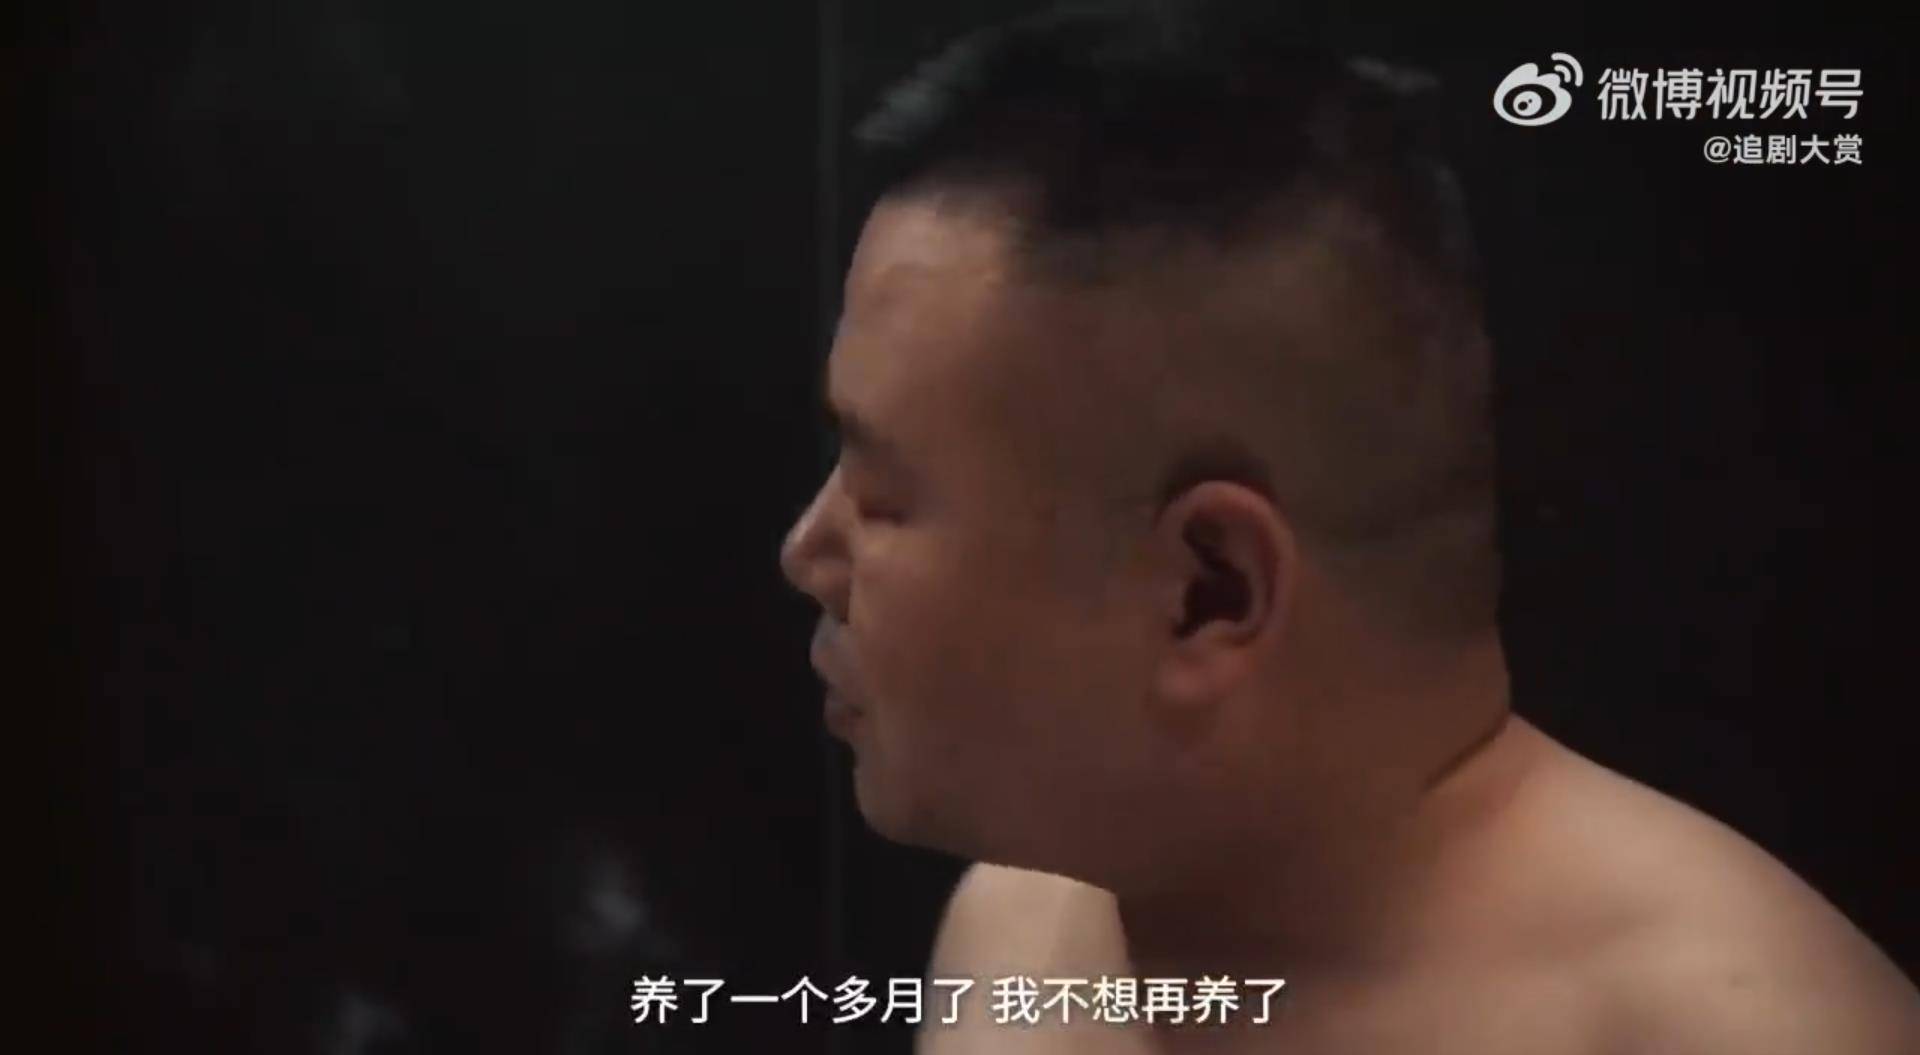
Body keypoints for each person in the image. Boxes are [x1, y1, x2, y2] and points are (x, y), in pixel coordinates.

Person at [777, 3, 1919, 1051]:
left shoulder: (1747, 1031)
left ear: (1210, 591)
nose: (807, 552)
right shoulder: (1025, 924)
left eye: (881, 494)